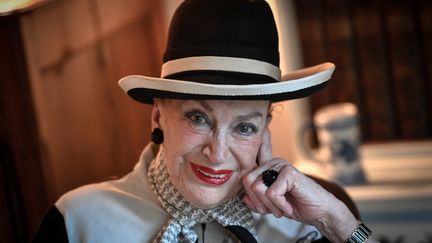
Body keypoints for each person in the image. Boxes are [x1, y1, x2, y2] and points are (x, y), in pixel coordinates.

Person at [32, 0, 378, 242]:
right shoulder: (78, 223)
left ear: (264, 133)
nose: (217, 153)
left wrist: (338, 222)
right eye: (198, 118)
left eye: (245, 127)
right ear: (158, 115)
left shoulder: (310, 222)